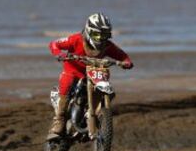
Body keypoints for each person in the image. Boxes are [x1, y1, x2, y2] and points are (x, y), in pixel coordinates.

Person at [48, 12, 133, 140]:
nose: (100, 39)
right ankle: (59, 119)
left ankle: (97, 116)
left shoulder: (107, 46)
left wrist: (127, 62)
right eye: (96, 34)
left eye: (104, 35)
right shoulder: (76, 39)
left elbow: (123, 56)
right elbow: (54, 44)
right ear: (88, 31)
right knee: (67, 81)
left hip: (94, 73)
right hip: (73, 71)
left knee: (109, 91)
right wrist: (60, 53)